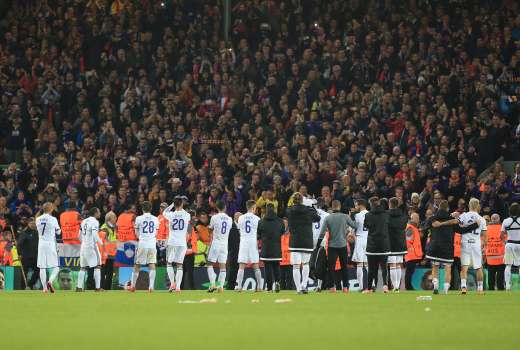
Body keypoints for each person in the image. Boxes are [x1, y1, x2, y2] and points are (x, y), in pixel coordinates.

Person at [429, 200, 479, 294]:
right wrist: (475, 225)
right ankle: (446, 290)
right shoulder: (451, 221)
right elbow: (462, 230)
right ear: (447, 209)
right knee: (447, 268)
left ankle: (435, 286)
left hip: (435, 246)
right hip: (447, 248)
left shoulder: (433, 218)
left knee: (435, 267)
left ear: (439, 208)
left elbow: (424, 227)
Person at [320, 200, 357, 293]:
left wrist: (317, 244)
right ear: (339, 207)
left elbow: (322, 232)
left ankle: (332, 288)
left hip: (332, 246)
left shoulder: (328, 218)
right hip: (343, 245)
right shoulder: (345, 217)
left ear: (332, 207)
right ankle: (345, 288)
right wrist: (352, 216)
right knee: (344, 267)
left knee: (331, 267)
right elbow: (354, 225)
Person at [287, 193, 320, 294]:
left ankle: (298, 289)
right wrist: (311, 205)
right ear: (302, 200)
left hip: (295, 241)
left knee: (296, 266)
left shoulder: (289, 210)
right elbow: (317, 218)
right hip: (307, 240)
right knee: (305, 264)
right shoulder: (308, 210)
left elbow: (289, 210)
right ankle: (304, 286)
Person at [457, 198, 487, 294]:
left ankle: (464, 287)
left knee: (464, 267)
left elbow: (457, 226)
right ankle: (480, 289)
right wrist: (483, 246)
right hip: (476, 243)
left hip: (465, 243)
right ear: (478, 206)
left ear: (469, 206)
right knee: (478, 267)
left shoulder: (463, 216)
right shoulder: (481, 219)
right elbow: (484, 236)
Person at [163, 197, 191, 292]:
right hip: (182, 243)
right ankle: (178, 287)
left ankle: (172, 284)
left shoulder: (171, 215)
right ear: (182, 204)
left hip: (172, 242)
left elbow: (164, 212)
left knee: (169, 263)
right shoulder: (187, 215)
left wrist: (171, 205)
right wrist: (178, 205)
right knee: (180, 265)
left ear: (174, 205)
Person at [130, 201, 159, 292]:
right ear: (151, 209)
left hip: (142, 243)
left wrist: (141, 238)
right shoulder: (156, 219)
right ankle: (151, 287)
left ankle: (133, 286)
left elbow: (136, 232)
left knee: (137, 264)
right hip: (152, 244)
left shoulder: (138, 218)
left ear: (142, 209)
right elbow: (156, 232)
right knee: (152, 264)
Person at [364, 197, 391, 293]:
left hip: (372, 245)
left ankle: (369, 288)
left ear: (371, 204)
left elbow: (366, 226)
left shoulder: (368, 215)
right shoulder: (386, 214)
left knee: (371, 268)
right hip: (384, 244)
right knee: (384, 267)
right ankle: (385, 286)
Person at [235, 200, 262, 291]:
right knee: (255, 265)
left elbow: (239, 230)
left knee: (241, 265)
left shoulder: (241, 218)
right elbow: (260, 232)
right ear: (253, 208)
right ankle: (259, 287)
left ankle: (239, 286)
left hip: (243, 242)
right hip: (253, 243)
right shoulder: (257, 219)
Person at [258, 203, 285, 292]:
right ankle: (277, 282)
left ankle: (269, 288)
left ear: (266, 210)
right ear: (274, 209)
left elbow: (258, 235)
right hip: (276, 247)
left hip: (266, 247)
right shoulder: (280, 221)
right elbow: (282, 232)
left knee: (268, 268)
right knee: (276, 266)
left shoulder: (261, 221)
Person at [207, 200, 233, 292]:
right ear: (225, 208)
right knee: (223, 266)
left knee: (209, 264)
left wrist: (209, 229)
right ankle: (221, 286)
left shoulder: (214, 217)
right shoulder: (230, 219)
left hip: (216, 243)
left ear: (217, 208)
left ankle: (213, 284)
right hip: (224, 244)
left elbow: (210, 229)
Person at [36, 202, 61, 293]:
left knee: (42, 267)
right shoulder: (53, 219)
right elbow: (58, 232)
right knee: (56, 267)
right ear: (51, 209)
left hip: (41, 244)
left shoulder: (38, 219)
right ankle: (50, 281)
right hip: (50, 244)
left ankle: (44, 289)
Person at [76, 207, 102, 292]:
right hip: (91, 246)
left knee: (83, 267)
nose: (100, 213)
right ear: (95, 213)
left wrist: (84, 242)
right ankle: (97, 288)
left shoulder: (84, 221)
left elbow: (78, 235)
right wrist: (102, 243)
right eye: (98, 212)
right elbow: (95, 234)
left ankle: (79, 287)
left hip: (83, 246)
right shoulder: (95, 222)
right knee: (97, 266)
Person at [387, 197, 408, 292]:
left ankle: (394, 286)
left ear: (390, 204)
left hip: (390, 242)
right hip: (400, 242)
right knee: (399, 264)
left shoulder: (386, 215)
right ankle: (397, 286)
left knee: (392, 264)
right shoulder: (403, 215)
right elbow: (404, 226)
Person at [351, 199, 369, 291]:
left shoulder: (356, 216)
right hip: (369, 240)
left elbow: (353, 228)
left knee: (359, 264)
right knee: (367, 264)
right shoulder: (370, 214)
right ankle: (371, 285)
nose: (355, 207)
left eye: (356, 205)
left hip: (360, 239)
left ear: (360, 205)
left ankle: (361, 287)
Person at [17, 217, 39, 289]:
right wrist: (19, 254)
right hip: (26, 257)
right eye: (31, 223)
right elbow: (19, 244)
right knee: (24, 273)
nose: (33, 225)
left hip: (35, 257)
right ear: (28, 224)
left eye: (34, 223)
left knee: (38, 270)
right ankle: (23, 287)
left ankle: (30, 284)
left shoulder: (36, 232)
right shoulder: (24, 232)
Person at [502, 203, 520, 291]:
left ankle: (508, 286)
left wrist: (505, 242)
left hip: (509, 244)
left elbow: (501, 235)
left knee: (508, 265)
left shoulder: (506, 221)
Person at [404, 212, 423, 290]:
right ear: (413, 219)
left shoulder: (413, 227)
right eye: (417, 218)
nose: (418, 220)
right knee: (409, 272)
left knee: (410, 272)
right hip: (411, 254)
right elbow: (408, 240)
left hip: (413, 254)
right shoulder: (410, 228)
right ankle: (408, 287)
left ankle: (408, 286)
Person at [486, 214, 505, 290]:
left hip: (490, 257)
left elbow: (483, 242)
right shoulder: (502, 229)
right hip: (501, 258)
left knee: (491, 279)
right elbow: (506, 241)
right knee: (500, 279)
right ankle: (500, 291)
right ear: (499, 219)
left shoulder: (486, 228)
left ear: (491, 219)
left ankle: (491, 291)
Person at [99, 212, 117, 290]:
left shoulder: (113, 227)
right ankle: (102, 287)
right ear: (109, 218)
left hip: (111, 254)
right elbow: (103, 240)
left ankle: (107, 288)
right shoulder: (104, 228)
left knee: (110, 273)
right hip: (105, 254)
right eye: (114, 217)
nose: (116, 218)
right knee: (103, 272)